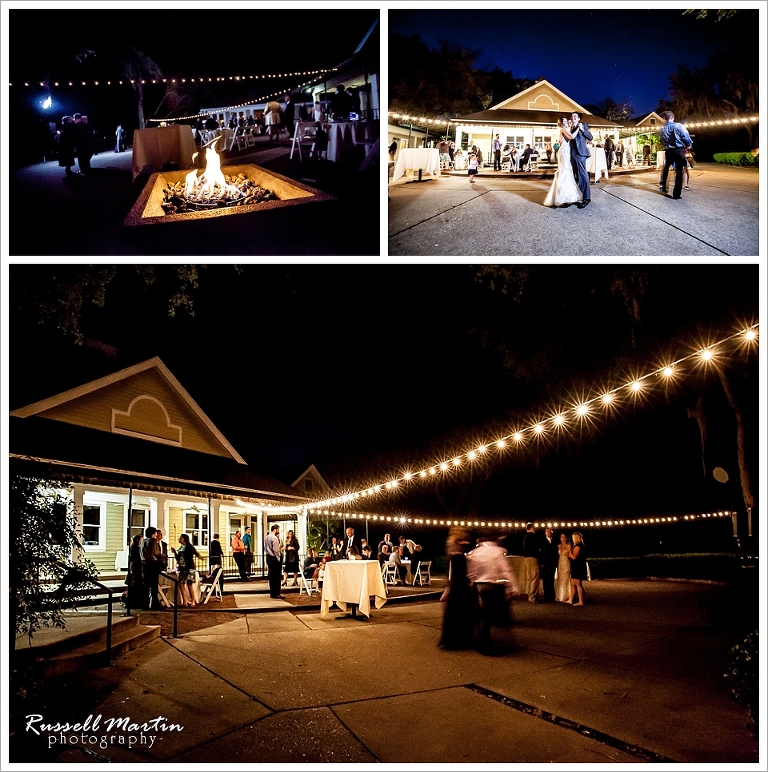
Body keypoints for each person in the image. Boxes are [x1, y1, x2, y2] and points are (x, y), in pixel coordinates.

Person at [467, 537, 518, 653]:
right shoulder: (498, 551)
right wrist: (513, 587)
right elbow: (506, 571)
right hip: (493, 586)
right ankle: (488, 642)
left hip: (479, 586)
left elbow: (470, 573)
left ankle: (483, 642)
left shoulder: (475, 552)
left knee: (481, 616)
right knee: (490, 615)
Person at [439, 527, 478, 650]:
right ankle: (460, 639)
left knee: (454, 613)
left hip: (457, 585)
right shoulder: (457, 551)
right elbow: (454, 572)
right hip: (459, 585)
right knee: (462, 612)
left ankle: (454, 639)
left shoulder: (452, 548)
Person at [543, 117, 583, 208]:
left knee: (567, 171)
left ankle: (567, 197)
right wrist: (578, 128)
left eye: (566, 121)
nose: (566, 122)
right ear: (561, 123)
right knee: (564, 171)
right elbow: (571, 137)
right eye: (564, 121)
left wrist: (571, 125)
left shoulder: (565, 129)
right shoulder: (562, 129)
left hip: (566, 151)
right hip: (564, 152)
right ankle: (562, 197)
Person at [658, 110, 693, 200]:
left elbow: (661, 140)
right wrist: (689, 144)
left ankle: (663, 187)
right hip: (678, 150)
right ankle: (676, 194)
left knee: (666, 168)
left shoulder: (661, 129)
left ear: (664, 118)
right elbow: (685, 136)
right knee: (679, 171)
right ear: (672, 117)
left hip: (668, 150)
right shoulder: (678, 126)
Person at [568, 112, 593, 208]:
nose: (572, 117)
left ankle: (587, 198)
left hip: (581, 153)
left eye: (575, 116)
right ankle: (578, 195)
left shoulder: (583, 125)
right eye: (572, 116)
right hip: (572, 154)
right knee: (575, 175)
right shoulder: (570, 126)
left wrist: (582, 130)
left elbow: (590, 137)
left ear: (578, 119)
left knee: (582, 174)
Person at [172, 534, 200, 607]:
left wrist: (200, 557)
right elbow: (178, 558)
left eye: (180, 538)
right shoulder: (181, 548)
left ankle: (193, 600)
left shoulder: (189, 547)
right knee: (181, 584)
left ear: (184, 539)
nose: (179, 539)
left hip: (189, 567)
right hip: (182, 568)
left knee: (189, 584)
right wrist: (175, 552)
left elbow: (195, 553)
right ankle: (185, 600)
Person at [140, 526, 162, 610]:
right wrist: (160, 556)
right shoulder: (153, 541)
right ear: (153, 533)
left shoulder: (142, 541)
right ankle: (155, 604)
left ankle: (145, 604)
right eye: (156, 533)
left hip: (144, 564)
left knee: (145, 586)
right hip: (152, 564)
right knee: (154, 586)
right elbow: (155, 553)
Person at [523, 523, 541, 603]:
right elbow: (536, 548)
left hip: (527, 558)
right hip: (532, 558)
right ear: (531, 528)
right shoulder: (532, 536)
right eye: (534, 528)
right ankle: (532, 597)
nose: (535, 529)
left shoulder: (525, 537)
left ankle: (529, 594)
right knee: (535, 577)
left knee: (530, 577)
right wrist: (539, 550)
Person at [264, 524, 284, 599]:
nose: (278, 531)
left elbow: (265, 548)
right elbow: (276, 550)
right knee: (277, 577)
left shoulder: (267, 538)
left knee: (271, 576)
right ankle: (276, 593)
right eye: (278, 530)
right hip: (274, 558)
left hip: (268, 557)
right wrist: (279, 558)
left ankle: (272, 592)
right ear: (275, 530)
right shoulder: (274, 538)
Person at [540, 527, 559, 603]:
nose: (549, 533)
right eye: (547, 531)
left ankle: (551, 596)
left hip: (553, 563)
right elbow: (541, 553)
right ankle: (546, 596)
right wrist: (541, 563)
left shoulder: (554, 541)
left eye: (550, 531)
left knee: (551, 579)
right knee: (546, 580)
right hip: (545, 563)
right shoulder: (542, 541)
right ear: (545, 533)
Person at [568, 532, 588, 606]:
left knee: (578, 584)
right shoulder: (578, 545)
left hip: (578, 567)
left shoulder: (578, 546)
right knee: (573, 583)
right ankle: (571, 599)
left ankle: (581, 601)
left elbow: (574, 557)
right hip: (576, 566)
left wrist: (569, 550)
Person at [126, 533, 145, 610]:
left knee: (136, 586)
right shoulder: (136, 548)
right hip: (136, 569)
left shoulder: (133, 548)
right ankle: (135, 602)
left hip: (135, 568)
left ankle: (136, 602)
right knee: (136, 586)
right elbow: (137, 559)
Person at [555, 533, 572, 602]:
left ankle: (567, 596)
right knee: (560, 579)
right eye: (561, 537)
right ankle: (560, 595)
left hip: (566, 563)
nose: (561, 538)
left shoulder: (569, 546)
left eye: (563, 537)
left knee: (566, 579)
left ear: (566, 538)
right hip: (560, 563)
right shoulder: (558, 546)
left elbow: (570, 555)